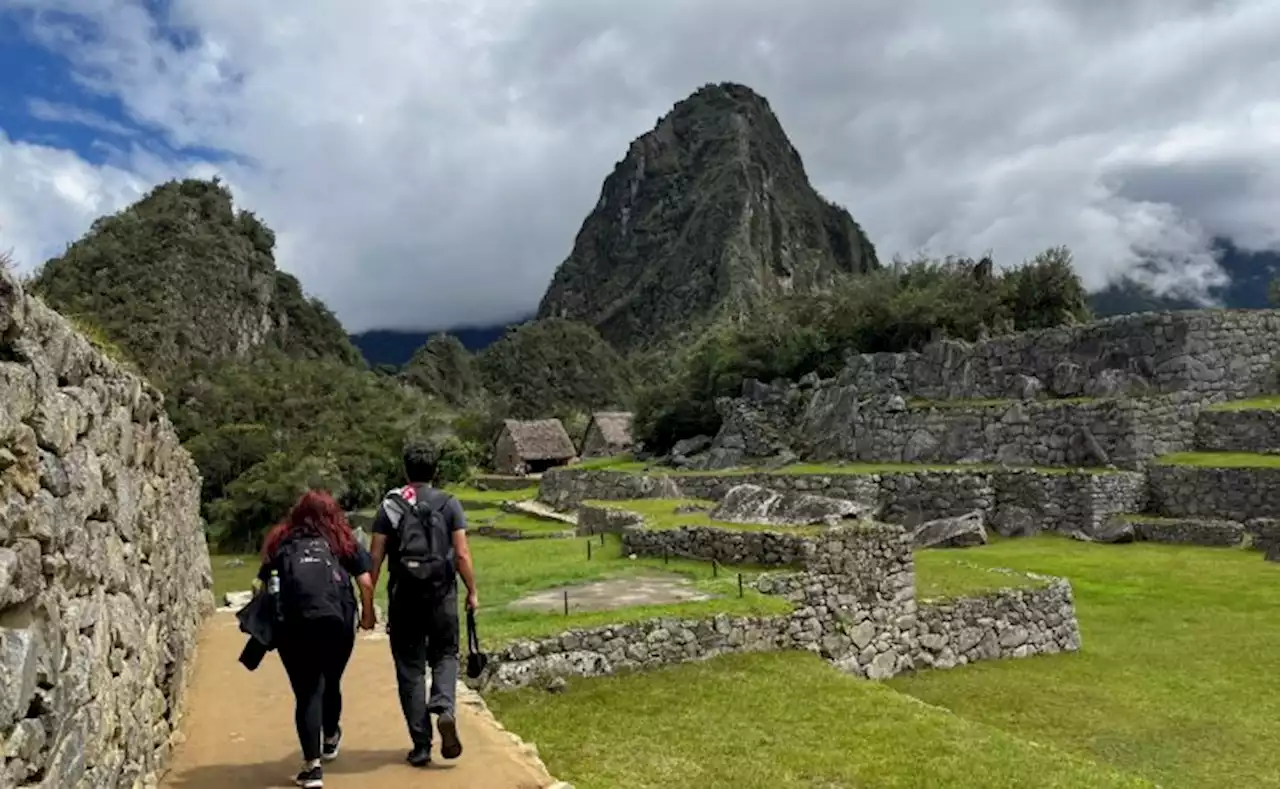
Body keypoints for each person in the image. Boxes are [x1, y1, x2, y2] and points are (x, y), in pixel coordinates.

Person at [369, 440, 478, 768]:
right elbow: (461, 553)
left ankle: (420, 745)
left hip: (404, 599)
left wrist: (368, 599)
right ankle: (444, 708)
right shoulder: (449, 504)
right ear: (436, 471)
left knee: (410, 670)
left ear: (406, 471)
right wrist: (472, 591)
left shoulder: (390, 506)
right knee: (445, 655)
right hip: (442, 596)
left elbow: (375, 556)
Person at [258, 490, 377, 789]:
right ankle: (330, 737)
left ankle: (312, 767)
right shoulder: (342, 539)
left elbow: (262, 584)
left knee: (307, 690)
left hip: (293, 625)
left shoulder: (280, 541)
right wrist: (367, 614)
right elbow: (365, 581)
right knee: (331, 680)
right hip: (337, 622)